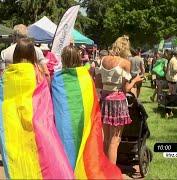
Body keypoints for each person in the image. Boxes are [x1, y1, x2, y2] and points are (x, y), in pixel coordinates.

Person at [0, 38, 74, 179]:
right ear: (33, 54)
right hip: (35, 121)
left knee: (17, 157)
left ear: (16, 54)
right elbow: (44, 100)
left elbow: (0, 99)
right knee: (37, 154)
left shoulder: (8, 74)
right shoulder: (37, 73)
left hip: (14, 122)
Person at [51, 45, 123, 179]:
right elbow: (92, 99)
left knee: (65, 148)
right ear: (78, 58)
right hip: (82, 121)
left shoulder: (57, 78)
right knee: (82, 147)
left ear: (63, 59)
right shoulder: (85, 77)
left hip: (63, 121)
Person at [95, 36, 143, 164]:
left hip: (105, 100)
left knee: (106, 139)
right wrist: (135, 80)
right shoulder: (125, 63)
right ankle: (111, 174)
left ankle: (104, 171)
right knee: (114, 141)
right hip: (118, 101)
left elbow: (98, 83)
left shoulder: (103, 59)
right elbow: (126, 88)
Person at [165, 51, 177, 118]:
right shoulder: (174, 60)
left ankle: (169, 111)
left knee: (170, 94)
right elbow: (174, 69)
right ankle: (168, 111)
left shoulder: (171, 60)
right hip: (172, 79)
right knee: (171, 95)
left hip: (170, 78)